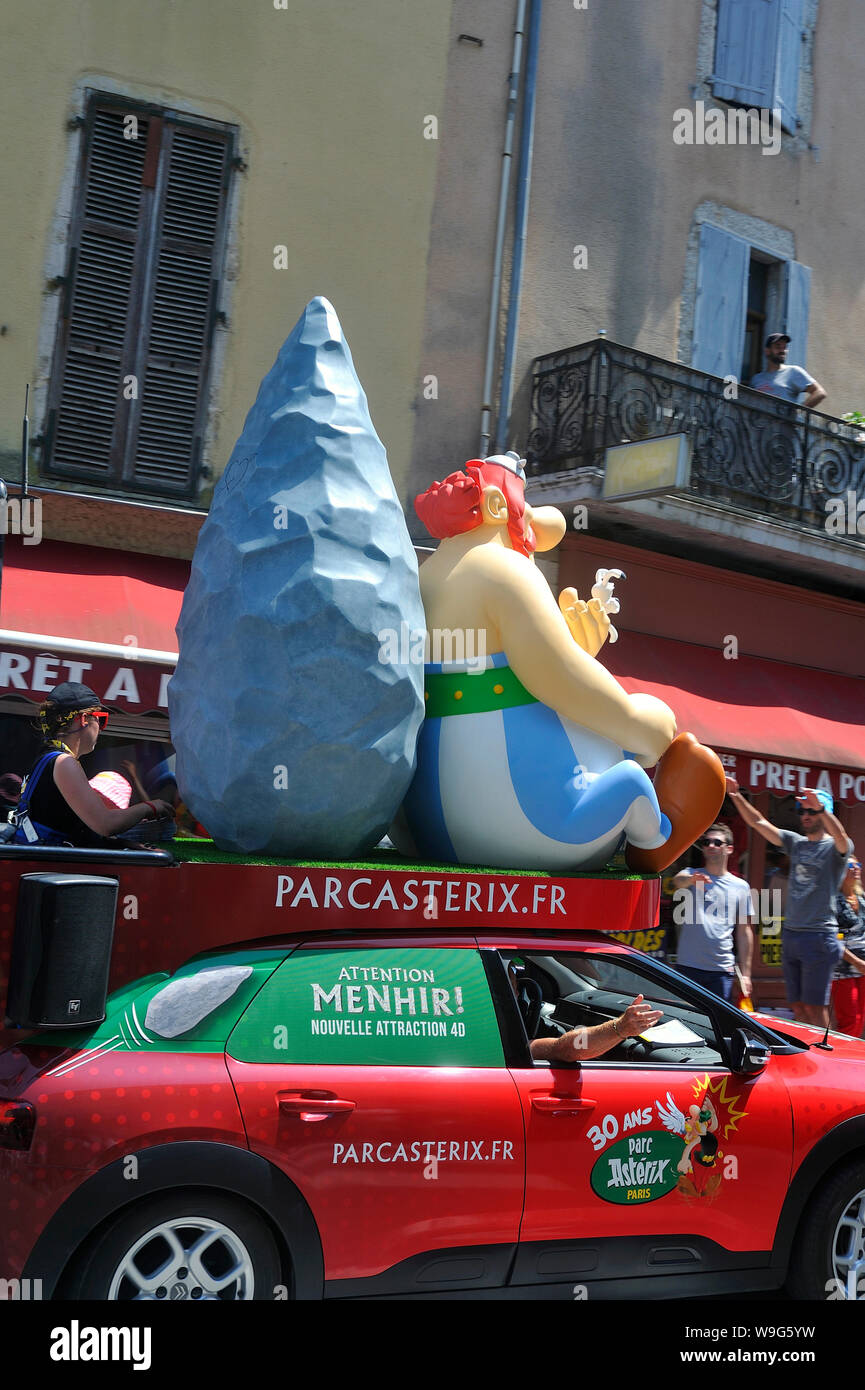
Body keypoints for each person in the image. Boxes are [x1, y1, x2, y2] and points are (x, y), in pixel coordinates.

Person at [726, 778, 852, 1028]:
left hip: (818, 936)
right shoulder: (796, 842)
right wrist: (736, 795)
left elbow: (842, 837)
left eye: (811, 811)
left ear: (823, 813)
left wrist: (823, 808)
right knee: (797, 1006)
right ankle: (809, 1056)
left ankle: (825, 1056)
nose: (805, 815)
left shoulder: (834, 849)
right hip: (792, 935)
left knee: (816, 1009)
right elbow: (758, 822)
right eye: (802, 810)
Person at [17, 683, 173, 848]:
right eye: (101, 719)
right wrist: (150, 807)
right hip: (53, 869)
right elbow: (106, 823)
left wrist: (127, 845)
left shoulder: (45, 759)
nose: (101, 729)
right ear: (83, 719)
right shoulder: (64, 763)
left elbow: (73, 827)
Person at [507, 957, 662, 1061]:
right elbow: (564, 1048)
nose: (519, 990)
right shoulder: (499, 1043)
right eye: (511, 983)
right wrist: (620, 1028)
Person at [670, 822, 754, 1003]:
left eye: (717, 842)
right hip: (688, 966)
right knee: (687, 1021)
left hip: (721, 970)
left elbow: (744, 931)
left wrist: (746, 974)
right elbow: (678, 881)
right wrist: (692, 880)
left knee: (717, 1026)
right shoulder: (692, 874)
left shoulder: (741, 886)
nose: (711, 846)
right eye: (706, 842)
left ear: (729, 849)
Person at [831, 856, 865, 1037]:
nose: (856, 868)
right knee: (850, 1020)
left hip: (864, 968)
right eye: (850, 865)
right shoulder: (835, 901)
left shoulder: (862, 898)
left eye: (857, 864)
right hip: (843, 968)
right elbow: (833, 938)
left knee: (860, 1019)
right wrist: (857, 962)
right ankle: (842, 1059)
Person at [750, 333, 826, 409]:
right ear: (767, 351)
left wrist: (799, 411)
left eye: (784, 347)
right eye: (778, 346)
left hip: (783, 420)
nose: (782, 351)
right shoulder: (756, 379)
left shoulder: (793, 372)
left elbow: (819, 392)